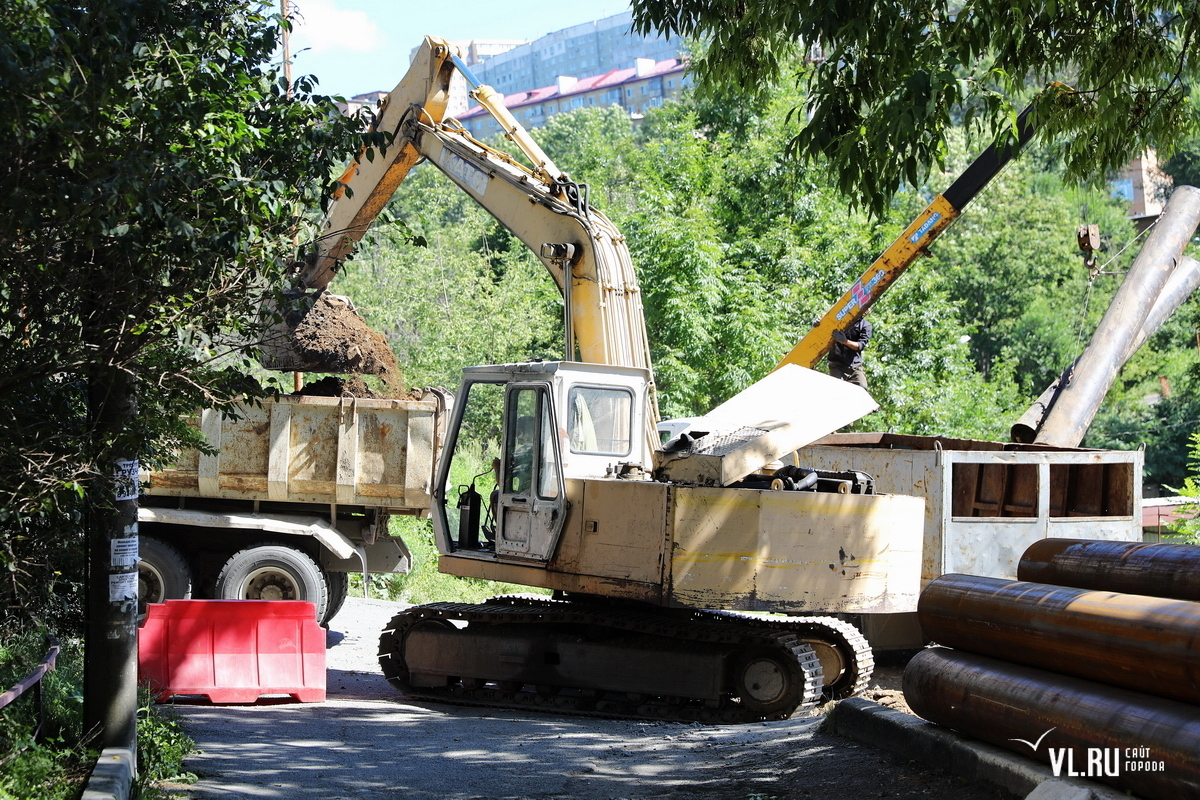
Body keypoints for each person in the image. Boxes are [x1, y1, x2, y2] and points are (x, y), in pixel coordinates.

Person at [828, 312, 872, 391]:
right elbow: (825, 326)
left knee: (862, 387)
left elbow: (860, 345)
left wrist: (845, 341)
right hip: (837, 365)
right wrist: (818, 324)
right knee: (836, 388)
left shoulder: (865, 325)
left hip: (854, 366)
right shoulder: (839, 319)